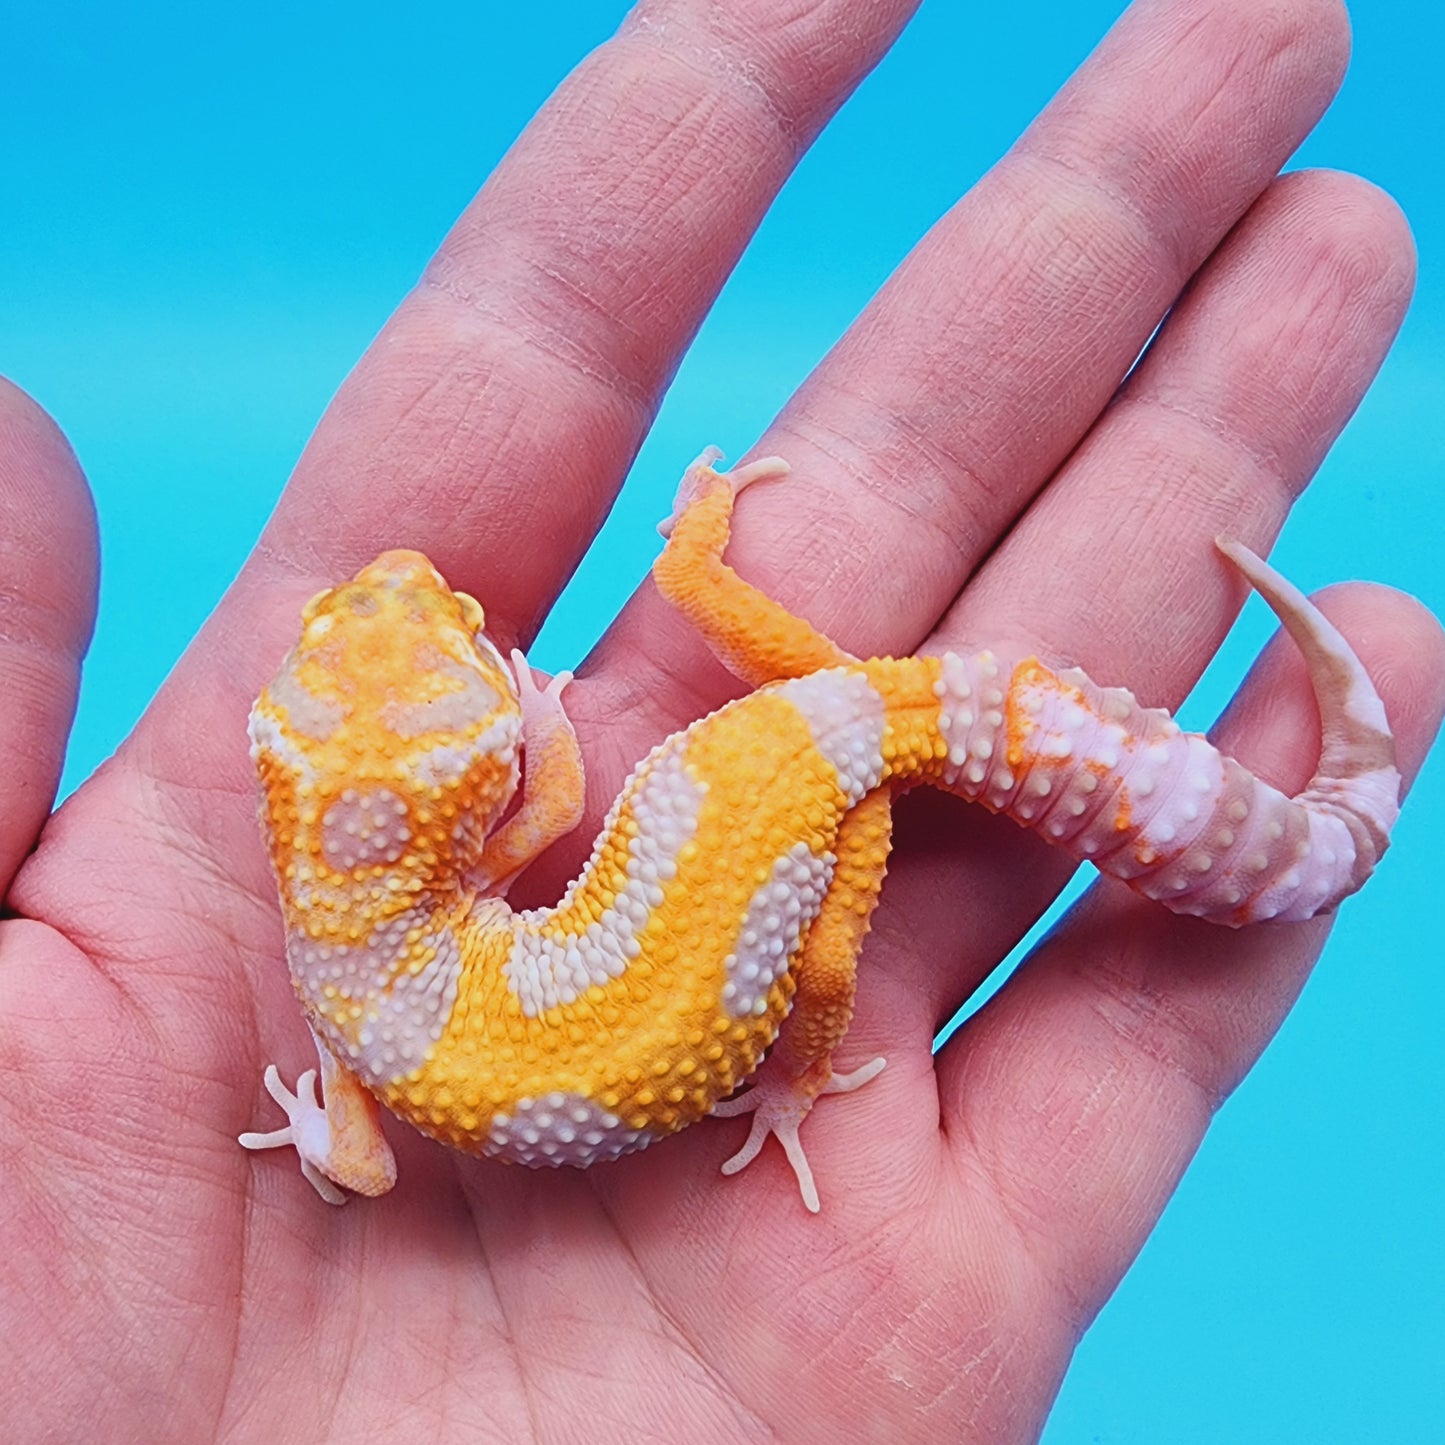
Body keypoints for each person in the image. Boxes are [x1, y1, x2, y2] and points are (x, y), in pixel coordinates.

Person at [2, 0, 1439, 1438]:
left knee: (831, 866)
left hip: (810, 776)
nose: (404, 593)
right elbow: (554, 805)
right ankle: (1291, 834)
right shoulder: (417, 955)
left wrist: (780, 1081)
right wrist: (621, 636)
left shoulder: (355, 982)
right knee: (835, 833)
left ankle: (1264, 855)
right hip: (810, 764)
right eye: (416, 636)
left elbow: (358, 1166)